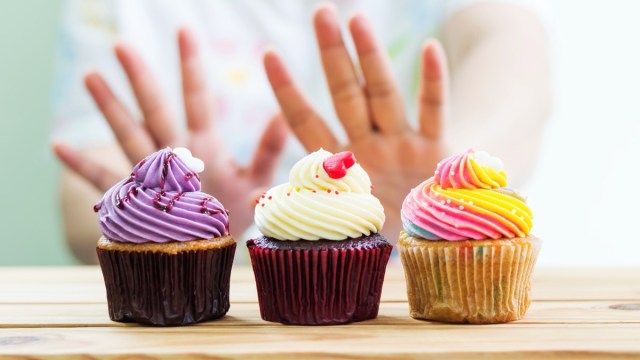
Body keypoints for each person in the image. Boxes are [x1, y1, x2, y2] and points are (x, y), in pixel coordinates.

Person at [52, 0, 551, 264]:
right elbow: (80, 200)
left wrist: (442, 188)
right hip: (216, 322)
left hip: (408, 302)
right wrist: (166, 214)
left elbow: (512, 49)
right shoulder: (118, 9)